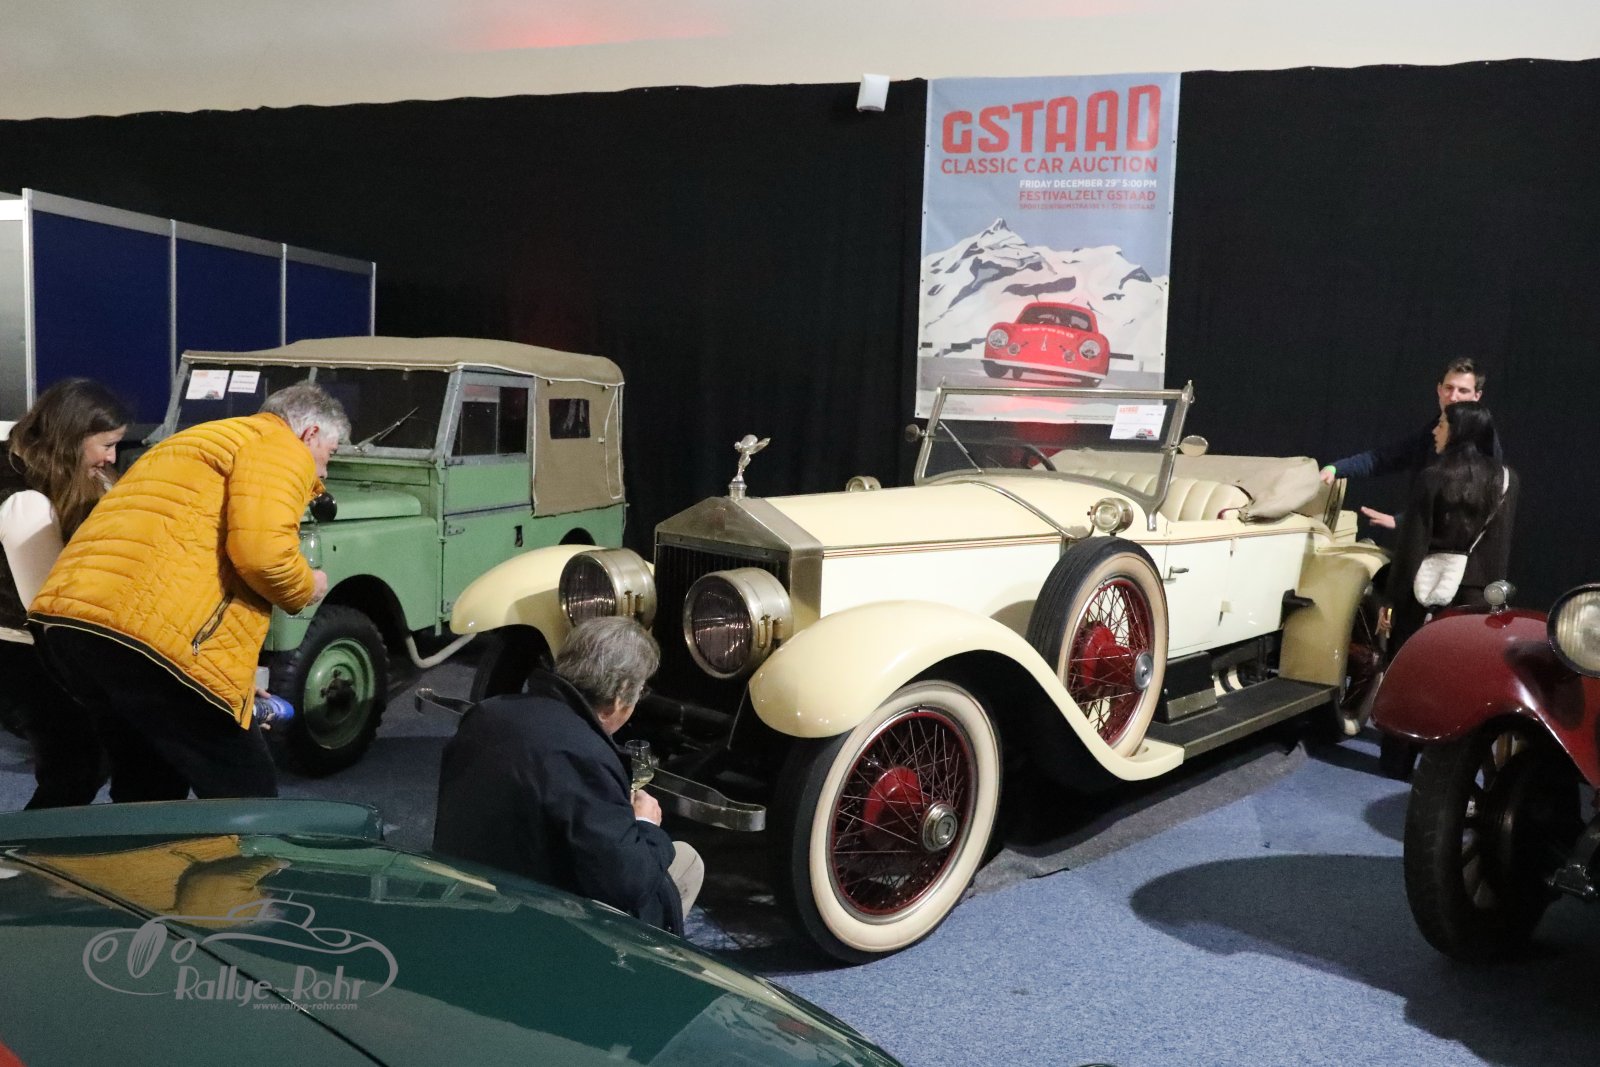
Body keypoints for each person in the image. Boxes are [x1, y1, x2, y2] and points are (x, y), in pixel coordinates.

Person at [29, 382, 347, 801]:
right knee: (244, 788)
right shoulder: (279, 446)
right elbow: (263, 556)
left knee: (149, 779)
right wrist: (307, 585)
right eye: (330, 454)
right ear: (310, 434)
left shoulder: (189, 442)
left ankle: (140, 846)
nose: (323, 473)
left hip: (71, 626)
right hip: (149, 640)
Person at [433, 616, 704, 934]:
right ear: (621, 695)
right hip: (534, 922)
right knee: (687, 862)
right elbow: (627, 883)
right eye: (640, 691)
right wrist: (646, 824)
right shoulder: (584, 755)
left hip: (459, 891)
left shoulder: (487, 713)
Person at [0, 379, 130, 808]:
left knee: (84, 760)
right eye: (106, 445)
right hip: (19, 648)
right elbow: (48, 607)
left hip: (34, 643)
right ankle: (29, 847)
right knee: (77, 762)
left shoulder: (52, 472)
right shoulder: (25, 500)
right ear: (71, 437)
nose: (112, 458)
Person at [1385, 400, 1516, 653]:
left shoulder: (1432, 477)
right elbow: (1498, 549)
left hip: (1423, 596)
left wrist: (1392, 600)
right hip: (1476, 598)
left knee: (1413, 662)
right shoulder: (1506, 481)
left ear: (1459, 430)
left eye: (1442, 425)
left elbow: (1412, 545)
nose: (1435, 431)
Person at [1318, 357, 1501, 530]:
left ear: (1477, 396)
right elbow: (1385, 458)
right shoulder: (1431, 430)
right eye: (1449, 388)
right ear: (1439, 389)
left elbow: (1465, 505)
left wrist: (1402, 521)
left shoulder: (1482, 440)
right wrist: (1335, 469)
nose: (1453, 397)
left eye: (1463, 391)